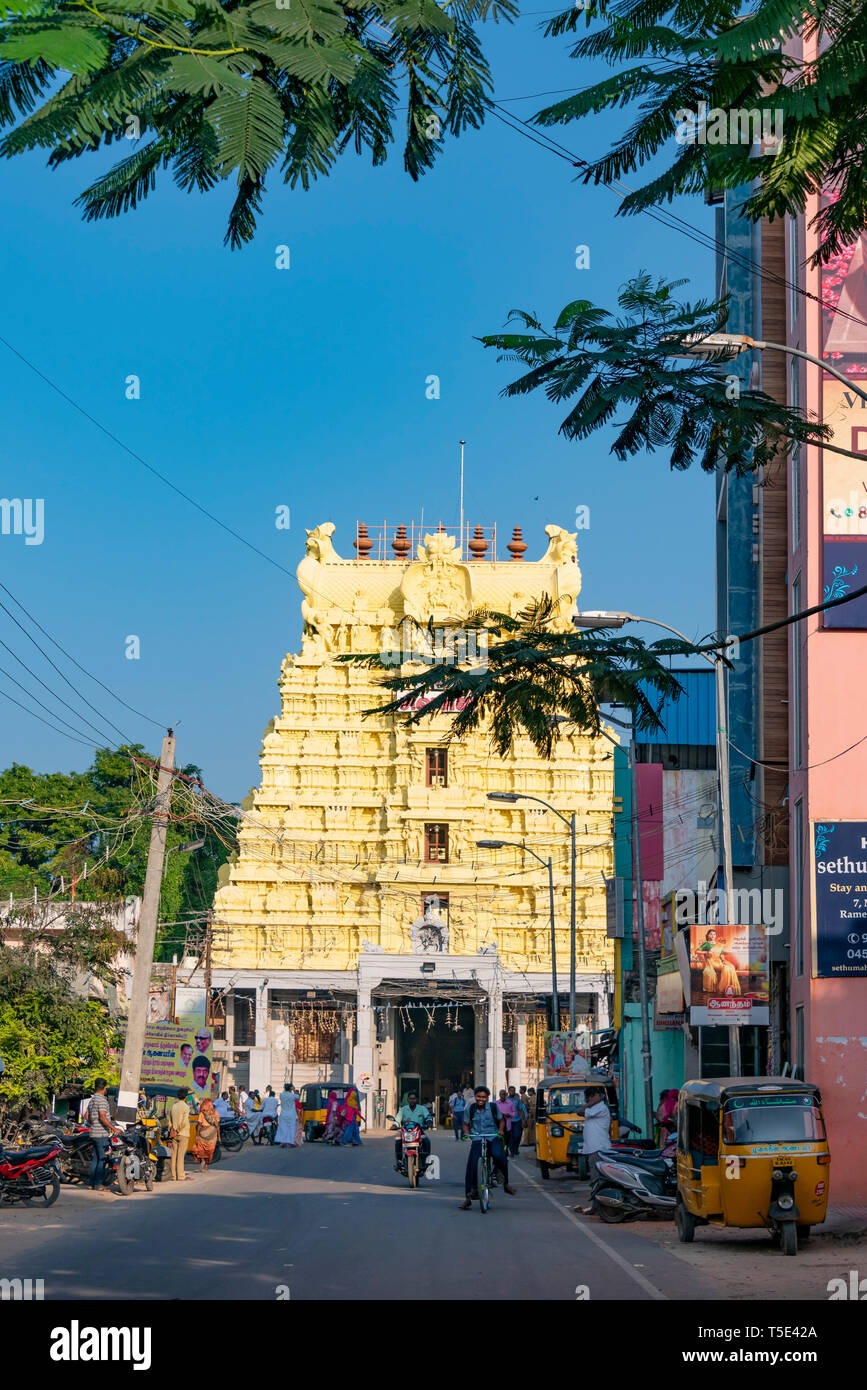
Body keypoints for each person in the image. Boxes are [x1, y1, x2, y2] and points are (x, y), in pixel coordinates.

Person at [460, 1086, 515, 1209]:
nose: (481, 1099)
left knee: (499, 1155)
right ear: (475, 1097)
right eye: (479, 1096)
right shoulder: (470, 1108)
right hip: (477, 1138)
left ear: (487, 1098)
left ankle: (505, 1183)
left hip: (492, 1136)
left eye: (483, 1097)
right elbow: (466, 1124)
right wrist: (466, 1132)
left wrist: (501, 1130)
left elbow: (501, 1121)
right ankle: (468, 1197)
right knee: (472, 1165)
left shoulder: (493, 1107)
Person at [573, 1086, 611, 1216]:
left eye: (589, 1097)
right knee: (595, 1178)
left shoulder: (600, 1107)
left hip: (598, 1148)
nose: (587, 1100)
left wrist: (595, 1100)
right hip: (593, 1148)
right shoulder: (595, 1108)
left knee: (597, 1179)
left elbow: (580, 1110)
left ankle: (598, 1206)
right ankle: (597, 1205)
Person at [86, 1077, 121, 1193]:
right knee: (102, 1158)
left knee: (96, 1159)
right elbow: (102, 1116)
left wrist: (93, 1123)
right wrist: (114, 1128)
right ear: (104, 1088)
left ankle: (91, 1184)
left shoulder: (92, 1100)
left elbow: (86, 1115)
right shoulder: (102, 1100)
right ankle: (98, 1184)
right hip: (101, 1134)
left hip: (93, 1133)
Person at [393, 1092, 432, 1170]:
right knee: (398, 1142)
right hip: (406, 1132)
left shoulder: (422, 1108)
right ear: (408, 1100)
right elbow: (397, 1119)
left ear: (416, 1099)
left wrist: (429, 1122)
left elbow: (428, 1116)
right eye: (410, 1098)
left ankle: (425, 1160)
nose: (412, 1100)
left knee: (427, 1141)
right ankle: (400, 1161)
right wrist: (395, 1125)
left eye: (414, 1099)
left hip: (419, 1131)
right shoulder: (403, 1109)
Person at [170, 1087, 193, 1183]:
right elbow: (184, 1122)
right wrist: (178, 1130)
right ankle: (180, 1175)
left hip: (174, 1133)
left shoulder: (173, 1106)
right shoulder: (186, 1107)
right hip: (183, 1133)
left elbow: (170, 1120)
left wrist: (173, 1130)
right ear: (186, 1097)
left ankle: (173, 1175)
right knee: (180, 1155)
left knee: (174, 1155)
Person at [193, 1096, 220, 1170]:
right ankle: (206, 1164)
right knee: (210, 1151)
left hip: (203, 1135)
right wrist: (219, 1136)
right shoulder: (216, 1114)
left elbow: (199, 1125)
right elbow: (217, 1126)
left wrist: (197, 1135)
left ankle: (202, 1161)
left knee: (201, 1150)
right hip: (212, 1136)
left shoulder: (202, 1114)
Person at [507, 1085, 526, 1158]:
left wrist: (524, 1120)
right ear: (508, 1091)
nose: (512, 1092)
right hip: (509, 1121)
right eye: (511, 1090)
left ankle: (516, 1148)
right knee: (510, 1137)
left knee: (517, 1136)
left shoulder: (517, 1100)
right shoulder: (506, 1099)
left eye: (513, 1090)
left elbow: (521, 1110)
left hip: (517, 1120)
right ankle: (512, 1151)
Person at [497, 1088, 517, 1154]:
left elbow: (514, 1112)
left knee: (506, 1141)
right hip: (498, 1126)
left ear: (506, 1095)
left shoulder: (510, 1103)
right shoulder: (496, 1103)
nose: (503, 1096)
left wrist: (510, 1114)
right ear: (499, 1095)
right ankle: (500, 1151)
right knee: (499, 1140)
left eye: (504, 1094)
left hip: (507, 1126)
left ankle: (505, 1150)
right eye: (501, 1094)